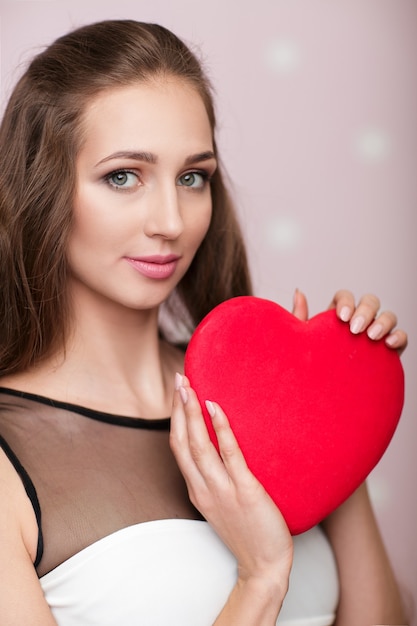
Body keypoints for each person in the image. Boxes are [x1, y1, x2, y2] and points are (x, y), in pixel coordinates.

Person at [0, 19, 408, 626]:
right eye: (123, 176)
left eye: (193, 177)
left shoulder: (262, 394)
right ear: (41, 191)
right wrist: (260, 578)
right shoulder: (11, 459)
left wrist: (336, 414)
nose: (171, 219)